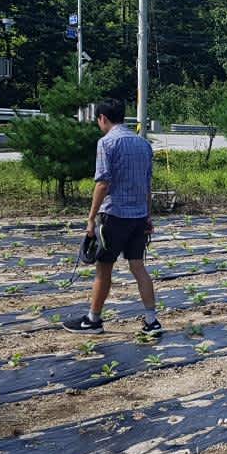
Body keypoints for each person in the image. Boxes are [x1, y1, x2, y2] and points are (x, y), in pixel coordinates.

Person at [63, 98, 162, 336]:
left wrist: (91, 217)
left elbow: (103, 183)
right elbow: (147, 184)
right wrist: (148, 216)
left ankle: (93, 320)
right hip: (139, 216)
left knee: (103, 268)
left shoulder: (106, 143)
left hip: (115, 215)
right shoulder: (143, 144)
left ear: (103, 118)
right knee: (138, 267)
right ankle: (151, 321)